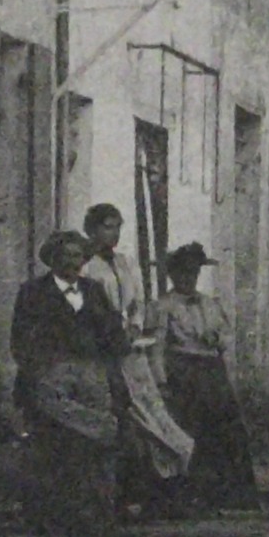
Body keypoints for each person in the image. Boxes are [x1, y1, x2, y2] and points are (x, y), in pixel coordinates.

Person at [10, 229, 130, 535]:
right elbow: (21, 340)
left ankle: (99, 515)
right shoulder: (33, 292)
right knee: (58, 442)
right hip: (52, 373)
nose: (72, 263)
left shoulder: (94, 290)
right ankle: (53, 519)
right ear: (52, 260)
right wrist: (40, 370)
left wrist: (114, 343)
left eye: (78, 257)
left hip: (90, 372)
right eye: (65, 257)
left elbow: (113, 333)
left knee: (102, 435)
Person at [80, 202, 195, 518]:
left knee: (154, 417)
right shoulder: (86, 267)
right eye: (107, 226)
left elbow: (139, 302)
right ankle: (122, 496)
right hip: (104, 353)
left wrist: (133, 324)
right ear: (91, 230)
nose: (113, 234)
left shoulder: (127, 263)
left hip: (132, 351)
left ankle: (165, 491)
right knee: (124, 421)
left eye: (117, 227)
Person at [148, 243, 260, 511]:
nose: (188, 278)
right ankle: (190, 495)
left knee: (225, 428)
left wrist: (219, 339)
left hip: (211, 370)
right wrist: (161, 381)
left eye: (193, 272)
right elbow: (157, 347)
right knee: (189, 429)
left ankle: (230, 493)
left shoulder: (210, 304)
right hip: (182, 371)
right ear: (172, 275)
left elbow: (227, 334)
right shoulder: (163, 306)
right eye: (182, 273)